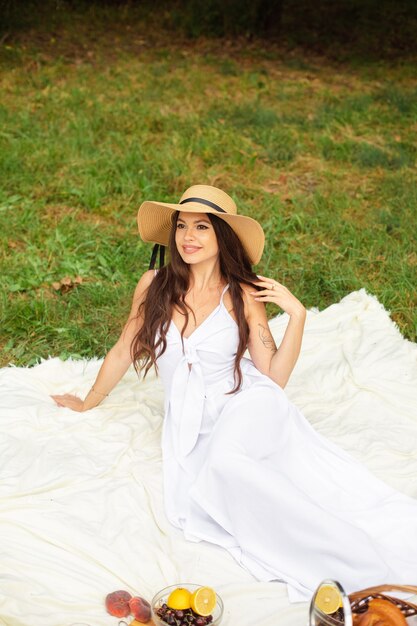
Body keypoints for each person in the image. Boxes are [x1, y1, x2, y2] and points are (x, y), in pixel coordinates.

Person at [52, 184, 417, 601]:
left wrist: (296, 315)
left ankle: (361, 567)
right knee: (219, 487)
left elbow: (273, 377)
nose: (188, 237)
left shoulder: (241, 293)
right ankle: (328, 556)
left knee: (227, 465)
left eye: (202, 227)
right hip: (192, 425)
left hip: (248, 403)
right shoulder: (154, 284)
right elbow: (123, 347)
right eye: (182, 226)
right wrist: (88, 400)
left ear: (221, 237)